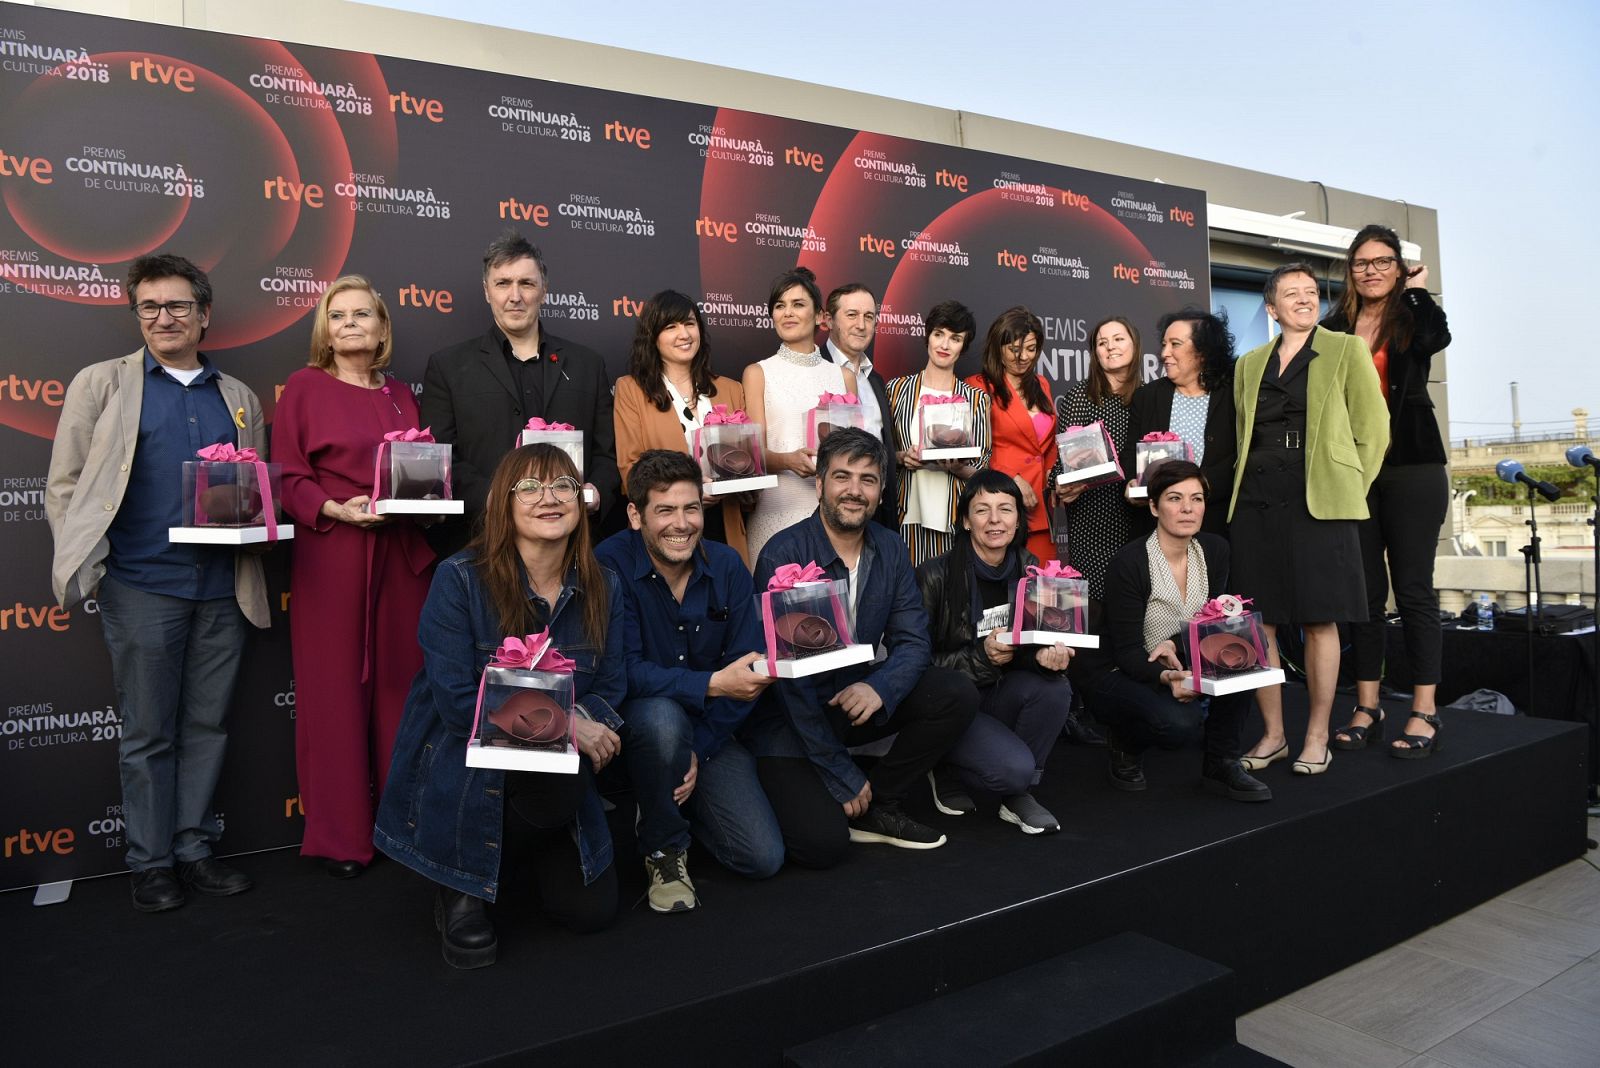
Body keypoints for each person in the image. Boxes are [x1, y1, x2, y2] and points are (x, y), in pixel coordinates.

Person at [47, 253, 264, 912]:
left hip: (223, 589)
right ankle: (150, 862)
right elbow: (64, 485)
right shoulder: (100, 384)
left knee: (207, 726)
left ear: (203, 315)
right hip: (140, 586)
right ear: (138, 315)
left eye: (176, 306)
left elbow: (253, 492)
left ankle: (194, 848)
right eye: (150, 307)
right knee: (148, 732)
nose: (163, 318)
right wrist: (93, 566)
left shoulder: (240, 397)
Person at [374, 445, 627, 968]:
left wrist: (581, 722)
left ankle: (511, 853)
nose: (548, 499)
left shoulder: (605, 583)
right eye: (529, 488)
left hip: (549, 775)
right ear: (502, 505)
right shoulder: (459, 578)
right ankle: (460, 880)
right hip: (470, 757)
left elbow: (614, 684)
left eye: (561, 486)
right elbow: (455, 700)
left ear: (581, 501)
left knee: (591, 913)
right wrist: (566, 724)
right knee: (564, 757)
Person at [744, 428, 976, 864]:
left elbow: (912, 642)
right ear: (819, 484)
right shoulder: (782, 554)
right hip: (792, 720)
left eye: (867, 480)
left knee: (955, 693)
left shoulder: (889, 547)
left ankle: (881, 802)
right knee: (822, 846)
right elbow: (786, 686)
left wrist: (881, 688)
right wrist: (838, 770)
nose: (854, 491)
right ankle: (838, 784)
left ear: (881, 489)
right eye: (842, 477)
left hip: (855, 701)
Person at [273, 276, 436, 878]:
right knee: (335, 693)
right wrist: (335, 509)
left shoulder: (400, 394)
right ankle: (342, 838)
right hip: (333, 552)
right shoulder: (304, 388)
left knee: (404, 688)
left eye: (362, 314)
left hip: (400, 556)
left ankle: (404, 828)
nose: (349, 324)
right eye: (337, 315)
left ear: (381, 325)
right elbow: (287, 474)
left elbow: (420, 470)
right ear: (325, 328)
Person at [595, 451, 783, 913]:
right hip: (637, 727)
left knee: (762, 858)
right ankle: (664, 847)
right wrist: (711, 684)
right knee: (661, 718)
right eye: (665, 510)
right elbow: (622, 673)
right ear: (636, 515)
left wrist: (696, 747)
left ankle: (664, 797)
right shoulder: (608, 564)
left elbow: (749, 671)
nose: (681, 524)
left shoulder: (727, 565)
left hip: (709, 733)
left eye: (691, 508)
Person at [1229, 264, 1389, 776]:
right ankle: (1274, 735)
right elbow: (1241, 434)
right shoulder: (1249, 363)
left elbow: (1374, 432)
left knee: (1321, 619)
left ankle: (1317, 734)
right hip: (1256, 502)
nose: (1304, 299)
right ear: (1271, 309)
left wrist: (1345, 489)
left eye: (1310, 292)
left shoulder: (1346, 350)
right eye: (1290, 294)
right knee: (1262, 623)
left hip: (1320, 503)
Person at [1321, 226, 1453, 758]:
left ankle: (1424, 710)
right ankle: (1368, 706)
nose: (1371, 270)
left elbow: (1433, 342)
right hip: (1355, 471)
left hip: (1412, 468)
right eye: (1361, 263)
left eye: (1382, 262)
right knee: (1365, 596)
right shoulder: (1335, 325)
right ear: (1350, 270)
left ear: (1398, 267)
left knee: (1415, 590)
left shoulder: (1413, 313)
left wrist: (1417, 290)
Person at [1076, 461, 1270, 802]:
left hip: (1179, 658)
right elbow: (1127, 651)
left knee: (1244, 651)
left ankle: (1221, 762)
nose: (1187, 509)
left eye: (1196, 499)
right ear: (1153, 506)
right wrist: (1167, 678)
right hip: (1121, 670)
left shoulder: (1215, 550)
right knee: (1178, 725)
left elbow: (1214, 625)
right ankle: (1125, 742)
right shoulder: (1130, 562)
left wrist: (1177, 647)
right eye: (1175, 498)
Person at [420, 230, 618, 553]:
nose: (515, 296)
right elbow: (442, 459)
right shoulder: (448, 367)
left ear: (544, 289)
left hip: (573, 547)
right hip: (484, 546)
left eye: (526, 283)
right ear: (487, 291)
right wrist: (495, 498)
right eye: (503, 284)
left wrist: (596, 492)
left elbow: (607, 454)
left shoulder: (588, 365)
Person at [915, 470, 1072, 834]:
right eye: (982, 510)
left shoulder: (1034, 572)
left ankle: (1019, 795)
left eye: (1006, 508)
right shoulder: (933, 576)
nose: (995, 520)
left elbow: (1034, 646)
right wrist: (981, 657)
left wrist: (1047, 658)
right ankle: (942, 761)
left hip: (999, 694)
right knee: (1009, 768)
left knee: (1055, 689)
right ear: (966, 521)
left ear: (1019, 519)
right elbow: (914, 665)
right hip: (948, 704)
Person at [612, 289, 753, 564]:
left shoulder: (731, 389)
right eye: (671, 327)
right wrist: (694, 489)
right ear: (653, 336)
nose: (684, 334)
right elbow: (631, 468)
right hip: (667, 528)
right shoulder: (631, 390)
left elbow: (749, 465)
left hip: (723, 526)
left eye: (689, 324)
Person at [743, 266, 857, 561]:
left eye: (798, 304)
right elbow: (753, 454)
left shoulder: (843, 377)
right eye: (780, 306)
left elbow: (855, 449)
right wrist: (787, 460)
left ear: (820, 317)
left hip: (834, 512)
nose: (787, 313)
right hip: (776, 510)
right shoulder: (758, 373)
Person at [886, 299, 992, 566]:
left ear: (963, 346)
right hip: (905, 516)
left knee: (952, 599)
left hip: (956, 518)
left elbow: (982, 466)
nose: (944, 345)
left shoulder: (976, 400)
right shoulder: (897, 391)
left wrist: (957, 468)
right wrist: (901, 458)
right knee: (909, 597)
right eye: (938, 334)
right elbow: (881, 451)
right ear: (928, 336)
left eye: (955, 338)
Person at [1124, 310, 1237, 537]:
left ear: (1203, 351)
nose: (1164, 353)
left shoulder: (1234, 396)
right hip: (1156, 529)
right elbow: (1130, 455)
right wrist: (1130, 485)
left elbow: (1239, 459)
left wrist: (1194, 489)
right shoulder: (1147, 397)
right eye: (1164, 344)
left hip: (1215, 526)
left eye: (1175, 344)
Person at [1050, 316, 1140, 600]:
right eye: (1102, 342)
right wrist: (1060, 483)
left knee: (1134, 601)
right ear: (1095, 353)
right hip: (1093, 519)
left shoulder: (1149, 395)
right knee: (1098, 606)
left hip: (1140, 518)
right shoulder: (1082, 395)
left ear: (1135, 345)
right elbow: (1063, 462)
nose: (1110, 347)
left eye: (1118, 339)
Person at [965, 306, 1058, 563]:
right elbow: (974, 449)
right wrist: (1009, 477)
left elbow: (1047, 445)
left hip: (1041, 505)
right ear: (998, 346)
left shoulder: (1042, 385)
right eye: (1014, 350)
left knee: (1040, 592)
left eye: (1031, 349)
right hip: (999, 505)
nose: (1023, 357)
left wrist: (1054, 471)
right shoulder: (977, 386)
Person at [822, 282, 899, 528]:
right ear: (829, 320)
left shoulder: (875, 379)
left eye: (869, 317)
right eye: (852, 315)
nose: (861, 325)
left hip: (875, 508)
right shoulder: (815, 370)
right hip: (831, 510)